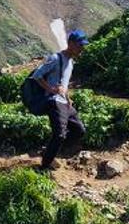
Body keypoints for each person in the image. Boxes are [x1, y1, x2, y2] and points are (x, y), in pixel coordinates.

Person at [30, 30, 89, 170]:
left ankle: (49, 151)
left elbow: (64, 84)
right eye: (80, 45)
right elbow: (37, 75)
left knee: (79, 130)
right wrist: (50, 89)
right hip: (54, 101)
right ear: (71, 44)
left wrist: (68, 98)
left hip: (64, 102)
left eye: (83, 45)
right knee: (60, 135)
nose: (82, 48)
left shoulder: (71, 62)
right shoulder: (56, 58)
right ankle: (44, 166)